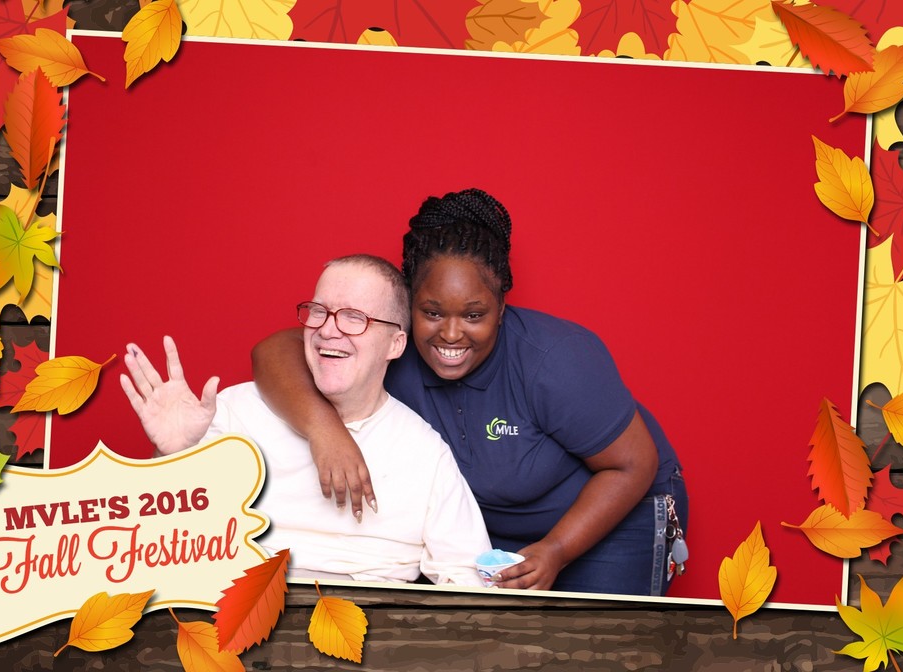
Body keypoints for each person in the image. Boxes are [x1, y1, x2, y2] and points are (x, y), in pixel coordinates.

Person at [252, 189, 688, 596]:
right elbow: (275, 351)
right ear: (408, 307)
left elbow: (632, 465)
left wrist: (557, 549)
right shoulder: (393, 348)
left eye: (474, 315)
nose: (450, 334)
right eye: (432, 312)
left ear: (501, 308)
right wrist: (324, 431)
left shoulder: (555, 359)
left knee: (594, 643)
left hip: (615, 513)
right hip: (493, 531)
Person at [120, 254, 491, 586]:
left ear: (395, 344)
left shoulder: (424, 452)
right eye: (318, 312)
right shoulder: (234, 411)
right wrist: (169, 456)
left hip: (371, 627)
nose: (328, 330)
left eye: (354, 317)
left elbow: (468, 580)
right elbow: (158, 547)